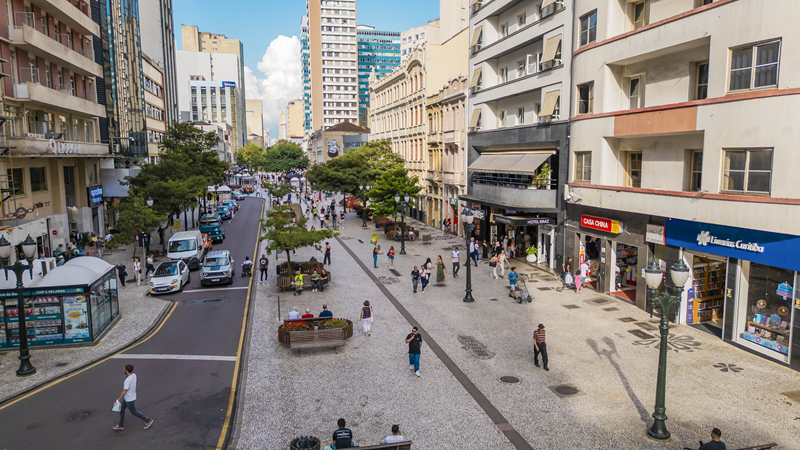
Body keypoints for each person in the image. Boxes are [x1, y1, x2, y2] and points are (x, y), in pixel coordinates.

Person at [113, 364, 154, 431]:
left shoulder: (127, 380)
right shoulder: (134, 375)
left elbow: (124, 391)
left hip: (129, 400)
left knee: (134, 412)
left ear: (126, 370)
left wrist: (117, 400)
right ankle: (121, 425)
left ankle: (147, 420)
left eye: (124, 369)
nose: (124, 370)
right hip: (128, 398)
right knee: (122, 410)